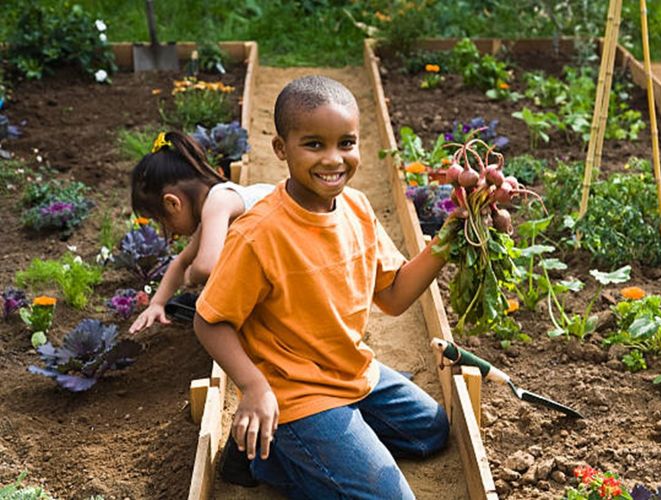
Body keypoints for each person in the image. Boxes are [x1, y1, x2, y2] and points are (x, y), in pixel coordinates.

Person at [194, 75, 452, 498]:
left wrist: (453, 237)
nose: (333, 160)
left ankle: (287, 453)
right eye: (314, 144)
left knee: (431, 431)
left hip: (351, 371)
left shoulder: (357, 207)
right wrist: (255, 386)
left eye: (346, 143)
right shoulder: (259, 234)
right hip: (293, 391)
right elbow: (209, 322)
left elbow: (394, 295)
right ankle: (272, 453)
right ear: (281, 149)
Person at [128, 131, 274, 334]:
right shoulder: (213, 207)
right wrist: (157, 303)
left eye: (162, 222)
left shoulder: (218, 201)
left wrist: (191, 276)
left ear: (172, 203)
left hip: (309, 262)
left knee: (207, 325)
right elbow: (180, 261)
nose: (166, 232)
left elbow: (206, 266)